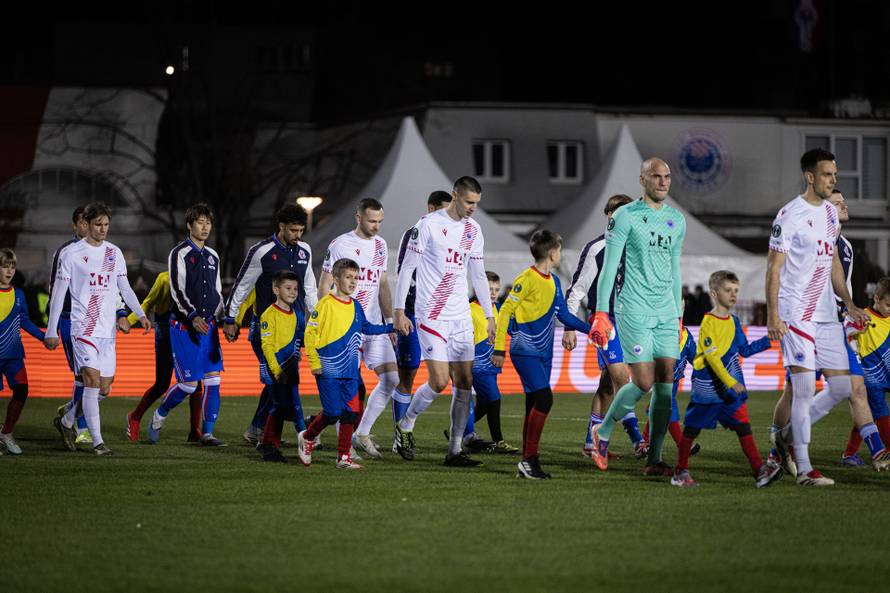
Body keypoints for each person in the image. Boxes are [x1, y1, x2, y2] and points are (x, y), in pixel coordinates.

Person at [766, 149, 871, 485]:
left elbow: (834, 263)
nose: (833, 180)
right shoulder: (789, 215)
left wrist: (849, 303)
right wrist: (772, 315)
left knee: (842, 387)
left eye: (835, 175)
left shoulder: (830, 214)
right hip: (796, 311)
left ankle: (784, 436)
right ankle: (805, 467)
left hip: (826, 316)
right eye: (828, 175)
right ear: (810, 176)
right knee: (804, 388)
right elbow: (774, 267)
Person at [588, 158, 686, 476]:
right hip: (633, 308)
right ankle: (602, 432)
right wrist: (601, 313)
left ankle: (654, 459)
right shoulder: (624, 216)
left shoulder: (677, 220)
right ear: (642, 179)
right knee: (643, 382)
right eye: (656, 176)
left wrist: (679, 314)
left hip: (666, 312)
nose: (663, 182)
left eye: (667, 177)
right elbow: (608, 269)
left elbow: (674, 270)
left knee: (666, 386)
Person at [393, 176, 496, 467]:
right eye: (468, 202)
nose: (473, 208)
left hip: (461, 315)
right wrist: (399, 311)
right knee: (439, 381)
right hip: (432, 315)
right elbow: (407, 270)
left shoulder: (474, 230)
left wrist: (489, 314)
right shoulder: (427, 226)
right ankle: (406, 423)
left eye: (476, 203)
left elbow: (477, 273)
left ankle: (454, 450)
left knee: (465, 382)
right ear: (455, 196)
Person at [46, 201, 149, 455]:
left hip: (107, 331)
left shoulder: (114, 253)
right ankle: (97, 442)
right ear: (87, 224)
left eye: (106, 225)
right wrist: (51, 330)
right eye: (98, 224)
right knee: (90, 381)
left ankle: (67, 419)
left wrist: (140, 314)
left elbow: (124, 288)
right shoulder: (70, 254)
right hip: (83, 328)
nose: (103, 229)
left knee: (104, 387)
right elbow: (58, 295)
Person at [670, 270, 782, 488]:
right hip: (707, 387)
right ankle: (680, 472)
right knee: (692, 429)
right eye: (728, 290)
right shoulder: (708, 322)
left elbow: (745, 350)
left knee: (743, 426)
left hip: (728, 390)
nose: (733, 295)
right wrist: (732, 382)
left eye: (736, 291)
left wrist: (768, 339)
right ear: (714, 293)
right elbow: (712, 358)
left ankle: (760, 472)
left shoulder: (734, 321)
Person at [493, 231, 591, 478]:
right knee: (545, 399)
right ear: (552, 253)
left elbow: (564, 315)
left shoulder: (554, 281)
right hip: (524, 348)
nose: (561, 253)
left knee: (534, 402)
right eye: (559, 249)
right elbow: (505, 312)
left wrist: (592, 330)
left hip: (545, 352)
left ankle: (527, 460)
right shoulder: (526, 279)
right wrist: (499, 348)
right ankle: (530, 460)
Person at [224, 204, 316, 444]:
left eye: (301, 230)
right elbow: (242, 285)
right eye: (293, 230)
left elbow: (310, 287)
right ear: (281, 227)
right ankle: (301, 432)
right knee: (282, 381)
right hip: (266, 329)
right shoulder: (261, 251)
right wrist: (231, 318)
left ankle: (257, 430)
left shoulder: (305, 250)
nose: (298, 236)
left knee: (280, 380)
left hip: (294, 330)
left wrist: (315, 320)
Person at [562, 194, 643, 458]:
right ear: (609, 217)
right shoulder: (597, 248)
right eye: (616, 214)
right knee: (624, 380)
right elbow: (576, 289)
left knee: (608, 385)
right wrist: (569, 326)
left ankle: (590, 442)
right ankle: (637, 440)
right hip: (604, 321)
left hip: (630, 322)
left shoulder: (635, 248)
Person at [318, 198, 396, 459]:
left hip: (373, 324)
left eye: (380, 221)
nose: (376, 226)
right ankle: (345, 444)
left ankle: (361, 433)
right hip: (346, 329)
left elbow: (382, 286)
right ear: (358, 218)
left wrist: (390, 324)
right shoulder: (341, 244)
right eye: (372, 221)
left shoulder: (381, 245)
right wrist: (326, 322)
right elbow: (325, 284)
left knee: (391, 379)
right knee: (348, 389)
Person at [298, 258, 394, 469]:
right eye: (348, 277)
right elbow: (310, 333)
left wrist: (391, 328)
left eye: (356, 278)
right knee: (332, 413)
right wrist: (314, 362)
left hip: (351, 370)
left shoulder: (356, 305)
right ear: (336, 279)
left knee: (350, 414)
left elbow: (366, 328)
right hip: (328, 368)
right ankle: (307, 436)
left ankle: (343, 458)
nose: (353, 282)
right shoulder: (325, 305)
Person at [148, 203, 225, 446]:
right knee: (189, 385)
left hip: (209, 327)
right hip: (184, 327)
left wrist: (220, 317)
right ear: (190, 225)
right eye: (200, 222)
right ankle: (159, 415)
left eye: (208, 223)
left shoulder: (213, 256)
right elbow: (177, 290)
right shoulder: (179, 253)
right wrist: (193, 316)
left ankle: (208, 433)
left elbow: (218, 291)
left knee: (214, 380)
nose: (205, 227)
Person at [390, 191, 453, 450]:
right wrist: (400, 312)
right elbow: (405, 272)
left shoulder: (453, 234)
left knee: (456, 378)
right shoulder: (415, 233)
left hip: (444, 315)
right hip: (414, 313)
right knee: (408, 376)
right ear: (430, 208)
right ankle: (400, 438)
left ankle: (463, 438)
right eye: (444, 211)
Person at [124, 271, 203, 442]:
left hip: (188, 329)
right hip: (166, 329)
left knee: (197, 382)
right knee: (162, 383)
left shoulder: (197, 275)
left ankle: (195, 432)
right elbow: (148, 302)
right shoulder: (164, 278)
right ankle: (135, 417)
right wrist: (129, 321)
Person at [458, 270, 518, 453]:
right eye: (489, 289)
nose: (493, 293)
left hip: (491, 365)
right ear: (477, 289)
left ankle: (457, 431)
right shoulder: (468, 309)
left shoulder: (498, 308)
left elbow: (510, 328)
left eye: (496, 289)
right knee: (494, 399)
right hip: (477, 365)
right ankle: (498, 442)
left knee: (485, 404)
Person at [49, 206, 93, 444]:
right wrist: (52, 326)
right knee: (82, 375)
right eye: (83, 223)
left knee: (97, 378)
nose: (87, 227)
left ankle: (69, 412)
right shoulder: (65, 252)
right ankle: (81, 428)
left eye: (91, 222)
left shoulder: (102, 251)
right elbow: (54, 288)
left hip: (95, 321)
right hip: (70, 319)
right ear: (75, 226)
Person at [0, 249, 48, 455]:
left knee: (22, 390)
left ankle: (6, 433)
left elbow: (25, 320)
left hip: (14, 355)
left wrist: (43, 337)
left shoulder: (18, 294)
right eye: (4, 266)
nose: (9, 270)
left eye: (12, 266)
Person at [258, 271, 307, 462]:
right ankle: (272, 445)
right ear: (276, 290)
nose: (293, 292)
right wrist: (276, 370)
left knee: (284, 407)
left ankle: (268, 444)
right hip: (274, 370)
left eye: (295, 289)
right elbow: (267, 346)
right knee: (284, 406)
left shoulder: (298, 314)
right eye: (288, 288)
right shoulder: (269, 315)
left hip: (291, 369)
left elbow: (302, 337)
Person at [845, 277, 890, 465]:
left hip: (887, 372)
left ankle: (849, 454)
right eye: (888, 305)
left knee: (865, 416)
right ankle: (885, 451)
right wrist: (852, 335)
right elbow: (845, 333)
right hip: (871, 377)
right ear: (876, 298)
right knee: (879, 412)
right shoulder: (862, 316)